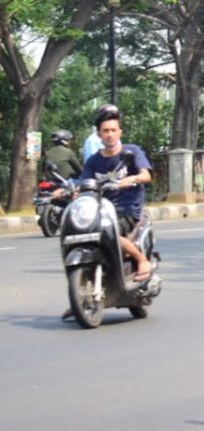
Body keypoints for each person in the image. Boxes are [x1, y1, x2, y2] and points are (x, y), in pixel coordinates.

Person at [62, 105, 153, 320]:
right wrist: (73, 193)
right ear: (99, 134)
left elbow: (146, 175)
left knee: (108, 232)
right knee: (73, 234)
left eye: (113, 130)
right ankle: (79, 295)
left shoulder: (131, 152)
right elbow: (84, 183)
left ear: (119, 132)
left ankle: (141, 260)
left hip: (127, 208)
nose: (110, 134)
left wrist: (132, 179)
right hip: (101, 208)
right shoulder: (94, 160)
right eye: (105, 131)